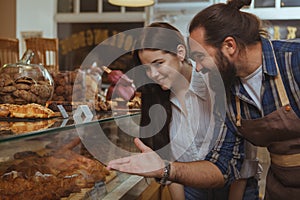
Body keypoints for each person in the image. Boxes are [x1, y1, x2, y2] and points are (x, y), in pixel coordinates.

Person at [107, 22, 258, 199]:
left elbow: (244, 158)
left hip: (235, 190)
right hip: (190, 190)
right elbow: (170, 168)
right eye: (147, 68)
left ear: (180, 52)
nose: (153, 75)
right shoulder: (155, 99)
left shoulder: (215, 85)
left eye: (159, 63)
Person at [187, 0, 300, 199]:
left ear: (229, 46)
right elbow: (224, 164)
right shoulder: (226, 91)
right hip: (281, 190)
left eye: (200, 57)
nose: (198, 68)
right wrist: (167, 170)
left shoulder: (293, 61)